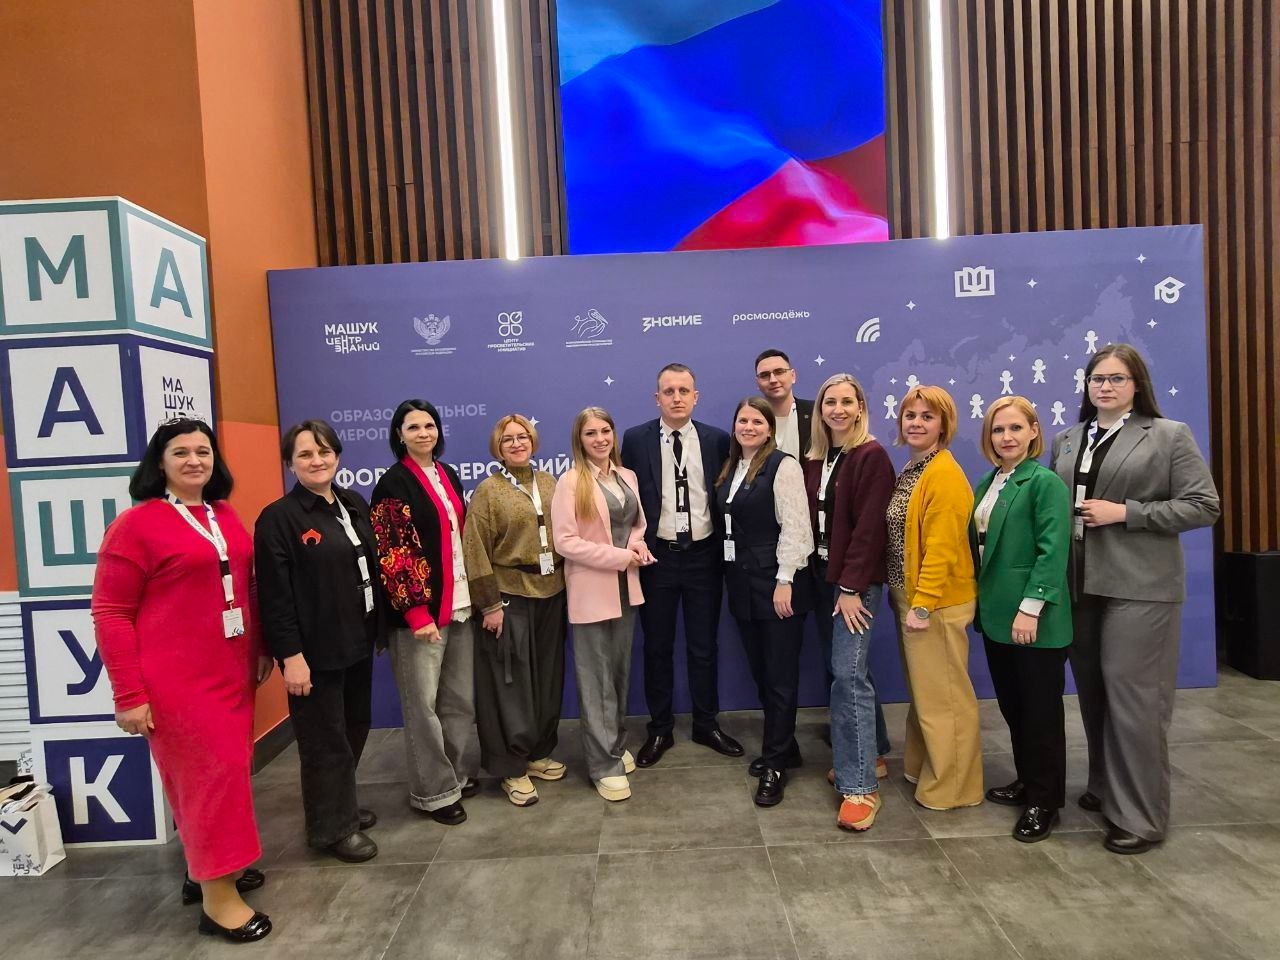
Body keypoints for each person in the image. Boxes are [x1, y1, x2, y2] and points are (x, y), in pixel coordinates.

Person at [92, 418, 273, 943]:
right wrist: (129, 694)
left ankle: (209, 869)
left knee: (225, 777)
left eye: (203, 451)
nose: (194, 460)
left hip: (230, 673)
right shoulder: (136, 526)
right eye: (181, 452)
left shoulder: (223, 515)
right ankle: (219, 903)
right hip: (178, 683)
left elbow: (245, 586)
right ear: (160, 462)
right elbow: (110, 613)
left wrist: (259, 647)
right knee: (207, 783)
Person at [1051, 344, 1219, 854]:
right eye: (1097, 378)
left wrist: (1127, 512)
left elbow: (1203, 505)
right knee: (1095, 694)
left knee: (1135, 702)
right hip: (1080, 586)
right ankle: (1105, 787)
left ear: (1137, 384)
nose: (1105, 386)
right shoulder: (1067, 439)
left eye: (1117, 378)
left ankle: (1141, 817)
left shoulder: (1168, 435)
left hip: (1141, 587)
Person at [254, 419, 381, 862]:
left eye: (324, 451)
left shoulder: (352, 502)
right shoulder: (279, 518)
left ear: (337, 456)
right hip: (314, 652)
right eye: (305, 454)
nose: (317, 460)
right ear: (290, 464)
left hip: (357, 640)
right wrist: (291, 656)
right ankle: (332, 830)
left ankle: (340, 804)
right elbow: (275, 597)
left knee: (354, 727)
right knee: (324, 741)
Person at [621, 363, 743, 767]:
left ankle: (707, 724)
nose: (677, 398)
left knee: (703, 646)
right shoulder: (635, 439)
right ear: (657, 398)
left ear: (696, 397)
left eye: (684, 391)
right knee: (656, 646)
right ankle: (660, 729)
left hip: (703, 557)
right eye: (669, 391)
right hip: (658, 558)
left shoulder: (717, 439)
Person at [370, 399, 479, 826]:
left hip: (459, 605)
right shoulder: (392, 484)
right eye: (413, 427)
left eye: (429, 425)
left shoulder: (447, 474)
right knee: (423, 709)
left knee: (459, 702)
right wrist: (417, 613)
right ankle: (433, 792)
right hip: (420, 616)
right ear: (399, 435)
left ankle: (454, 775)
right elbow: (394, 554)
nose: (423, 433)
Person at [968, 397, 1072, 842]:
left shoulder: (1044, 483)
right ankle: (1028, 780)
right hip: (996, 616)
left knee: (1041, 713)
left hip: (1033, 620)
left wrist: (1031, 609)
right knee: (1015, 708)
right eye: (997, 430)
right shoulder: (990, 480)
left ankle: (1045, 801)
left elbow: (1053, 552)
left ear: (1034, 431)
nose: (1006, 437)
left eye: (1015, 428)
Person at [802, 374, 896, 830]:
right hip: (824, 579)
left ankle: (861, 787)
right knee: (850, 668)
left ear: (860, 407)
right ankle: (871, 753)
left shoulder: (871, 456)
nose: (837, 409)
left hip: (853, 587)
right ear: (820, 410)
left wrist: (852, 587)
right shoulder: (820, 458)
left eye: (846, 402)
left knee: (847, 678)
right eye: (829, 402)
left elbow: (871, 529)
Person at [462, 414, 568, 807]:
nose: (517, 444)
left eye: (522, 437)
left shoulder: (550, 483)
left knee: (547, 676)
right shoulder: (488, 491)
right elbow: (475, 549)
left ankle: (537, 752)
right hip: (508, 596)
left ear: (533, 441)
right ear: (498, 448)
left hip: (552, 591)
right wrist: (489, 604)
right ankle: (510, 766)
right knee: (511, 682)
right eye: (508, 439)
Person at [886, 385, 983, 810]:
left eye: (927, 416)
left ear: (944, 425)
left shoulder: (943, 474)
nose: (917, 423)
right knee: (926, 696)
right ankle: (924, 766)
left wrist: (923, 604)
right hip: (910, 598)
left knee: (945, 699)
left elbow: (942, 548)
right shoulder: (914, 467)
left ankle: (954, 788)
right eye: (911, 415)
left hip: (935, 604)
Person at [715, 397, 814, 807]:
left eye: (757, 421)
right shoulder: (731, 466)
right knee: (761, 672)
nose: (749, 427)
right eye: (743, 420)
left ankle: (775, 764)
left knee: (779, 677)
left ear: (770, 428)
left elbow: (797, 527)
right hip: (741, 584)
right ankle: (785, 746)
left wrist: (785, 579)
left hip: (777, 583)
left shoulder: (783, 465)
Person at [552, 407, 653, 801]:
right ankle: (602, 764)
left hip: (627, 588)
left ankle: (614, 744)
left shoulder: (627, 476)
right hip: (591, 590)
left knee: (619, 674)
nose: (600, 439)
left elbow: (637, 525)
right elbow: (565, 542)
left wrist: (637, 547)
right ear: (579, 440)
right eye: (590, 433)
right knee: (596, 681)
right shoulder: (570, 482)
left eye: (605, 431)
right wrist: (620, 556)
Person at [755, 348, 814, 459]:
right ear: (757, 383)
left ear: (793, 376)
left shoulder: (816, 414)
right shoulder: (750, 421)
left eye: (779, 372)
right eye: (764, 375)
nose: (773, 380)